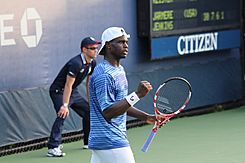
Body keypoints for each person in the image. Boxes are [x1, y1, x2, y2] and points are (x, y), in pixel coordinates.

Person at [88, 27, 165, 163]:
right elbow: (108, 112)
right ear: (108, 46)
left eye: (126, 42)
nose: (126, 45)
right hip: (111, 141)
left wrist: (146, 117)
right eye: (121, 42)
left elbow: (120, 104)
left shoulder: (119, 70)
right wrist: (137, 95)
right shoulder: (104, 74)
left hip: (105, 142)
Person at [47, 37, 101, 157]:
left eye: (96, 48)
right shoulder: (75, 63)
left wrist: (90, 100)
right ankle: (53, 147)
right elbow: (68, 85)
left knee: (89, 112)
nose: (95, 51)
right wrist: (65, 105)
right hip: (58, 91)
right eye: (92, 49)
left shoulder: (93, 62)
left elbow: (89, 83)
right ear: (84, 50)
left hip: (73, 91)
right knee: (62, 114)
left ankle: (88, 142)